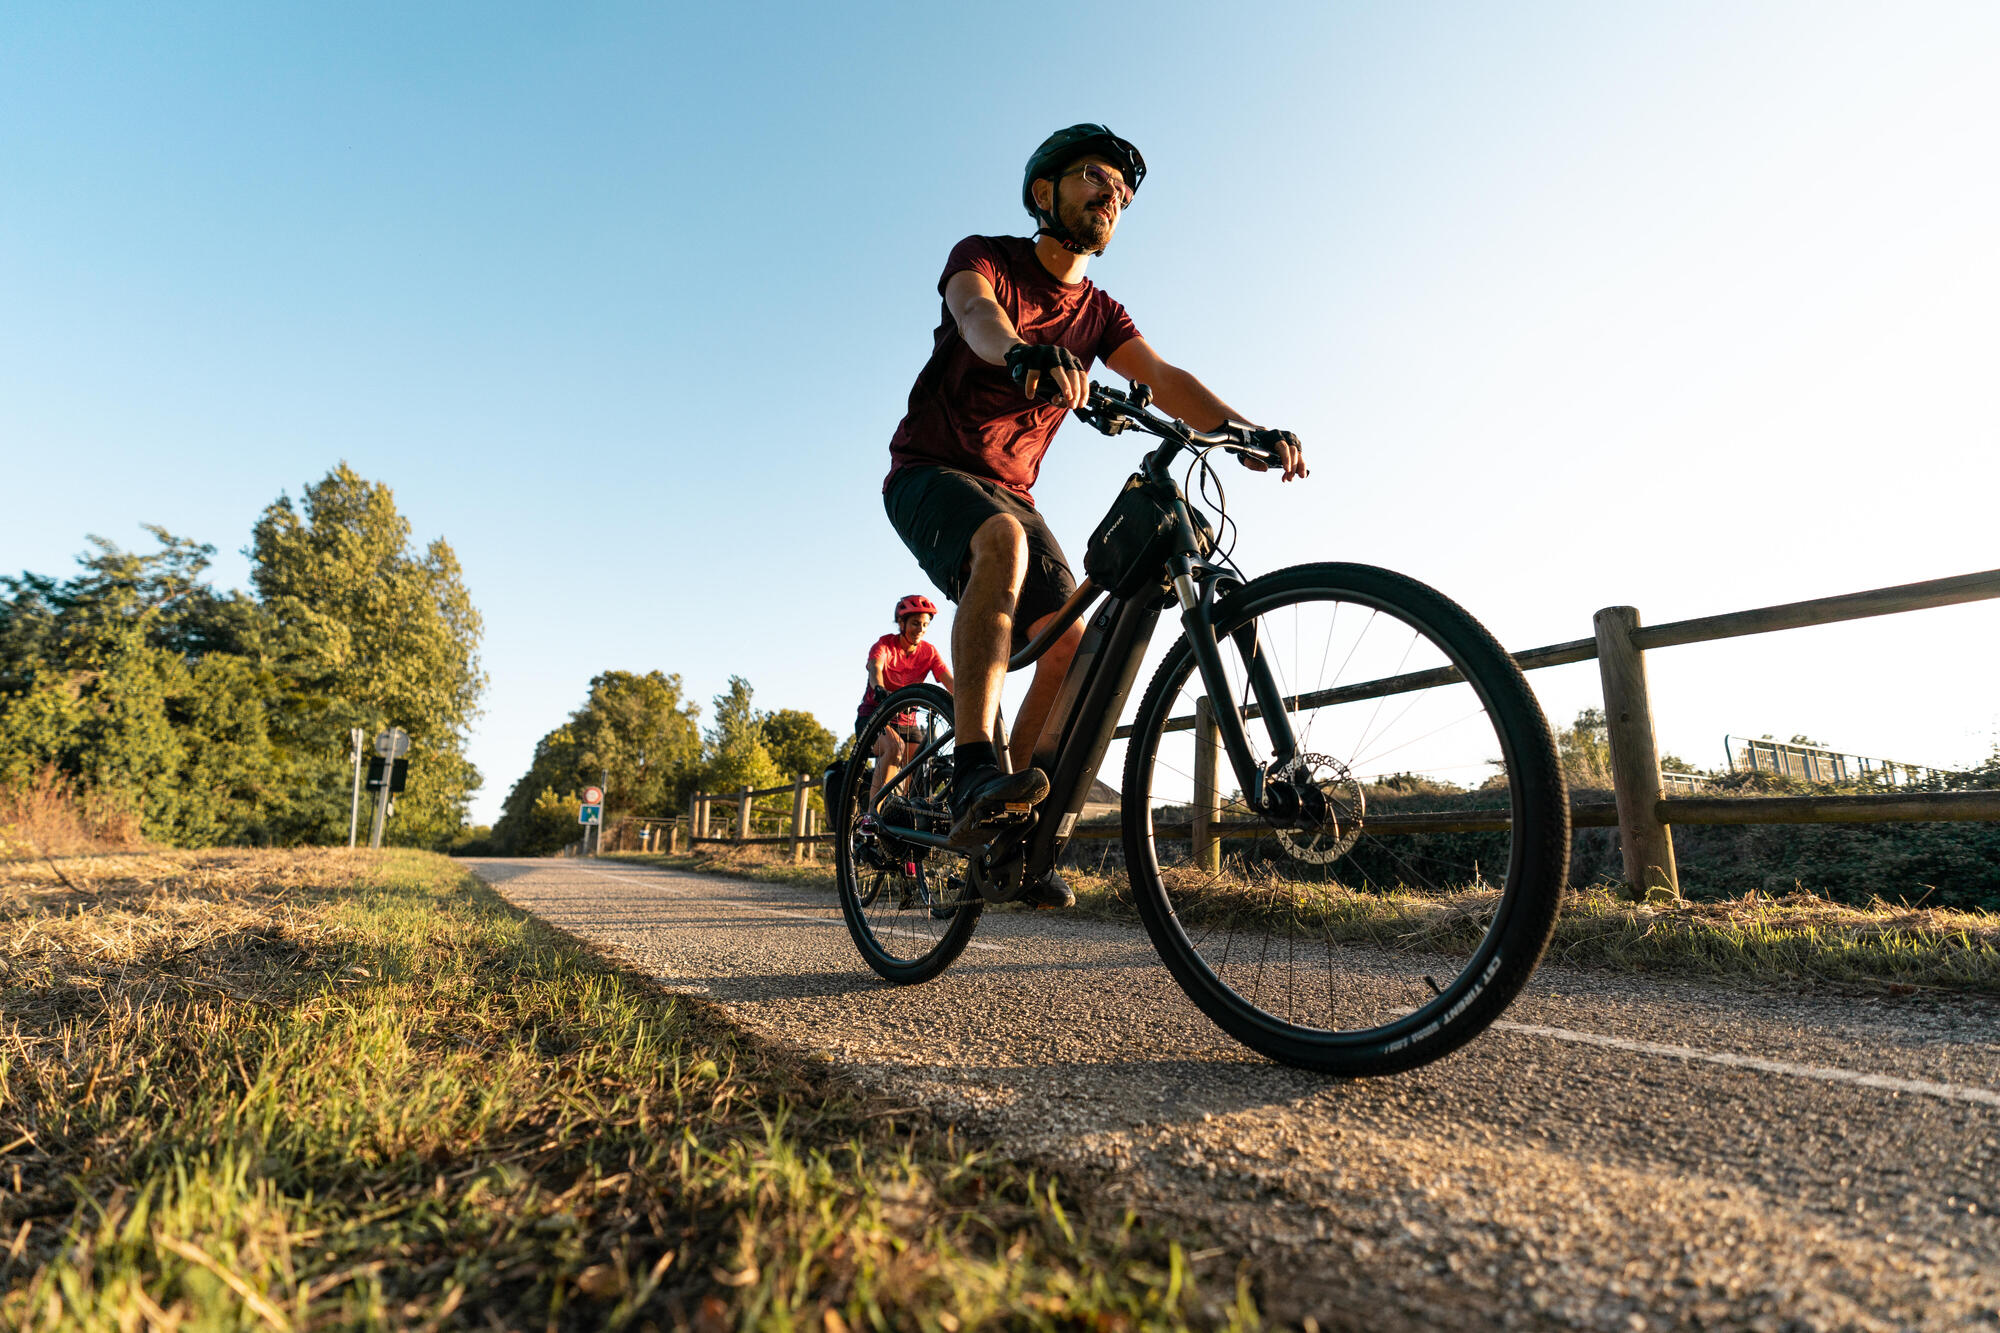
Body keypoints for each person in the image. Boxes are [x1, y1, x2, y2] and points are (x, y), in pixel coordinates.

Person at [881, 124, 1306, 907]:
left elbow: (1165, 377)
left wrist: (1246, 431)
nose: (1110, 196)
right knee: (1001, 543)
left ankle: (1012, 827)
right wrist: (1018, 352)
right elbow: (977, 314)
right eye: (1091, 178)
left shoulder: (1100, 311)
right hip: (930, 472)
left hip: (1013, 490)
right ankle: (975, 760)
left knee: (1070, 637)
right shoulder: (986, 257)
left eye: (1122, 192)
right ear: (1044, 193)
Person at [855, 594, 954, 814]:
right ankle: (872, 815)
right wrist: (879, 688)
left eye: (925, 624)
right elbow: (875, 668)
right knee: (894, 748)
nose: (920, 629)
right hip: (875, 715)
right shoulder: (885, 644)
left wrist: (967, 700)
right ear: (901, 624)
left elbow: (948, 680)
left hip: (907, 722)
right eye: (915, 623)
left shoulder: (928, 652)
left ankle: (905, 815)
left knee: (921, 765)